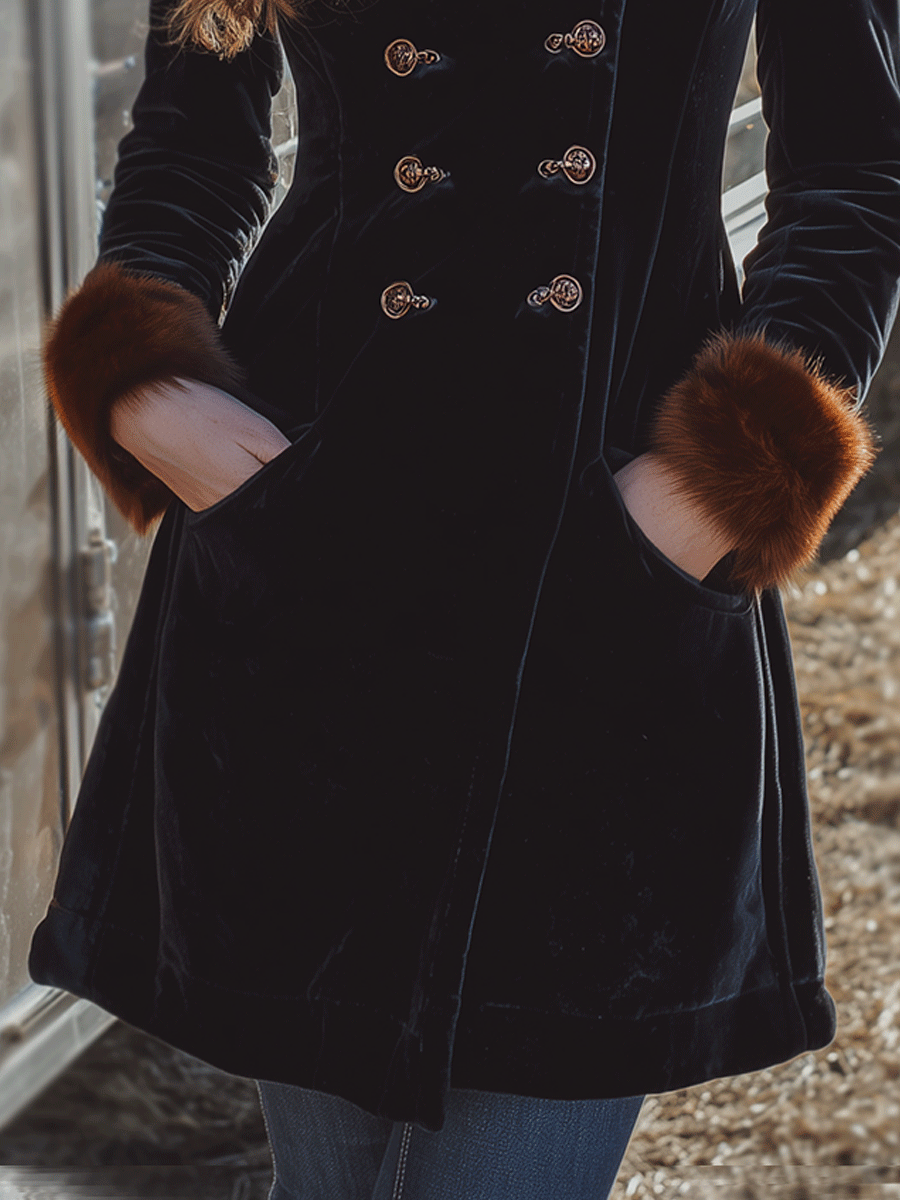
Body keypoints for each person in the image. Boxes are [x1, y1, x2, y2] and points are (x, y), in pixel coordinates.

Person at [28, 0, 900, 1196]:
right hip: (314, 582)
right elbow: (192, 141)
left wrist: (708, 492)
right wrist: (155, 401)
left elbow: (858, 168)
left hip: (607, 585)